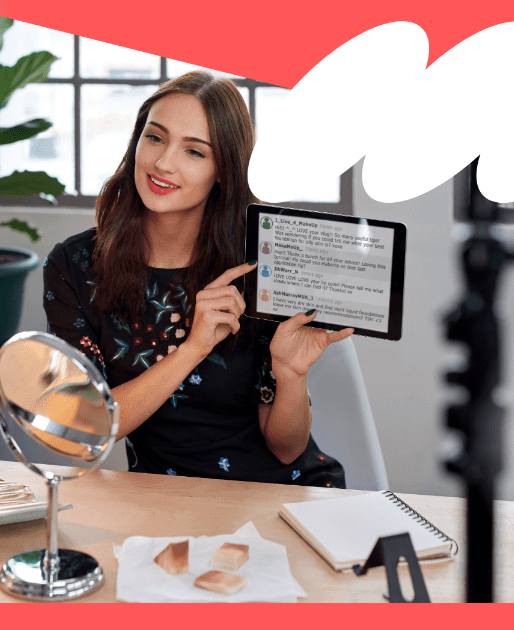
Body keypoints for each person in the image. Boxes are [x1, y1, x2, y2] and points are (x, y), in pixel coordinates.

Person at [42, 72, 352, 486]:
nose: (164, 163)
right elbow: (86, 427)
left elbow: (287, 448)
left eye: (194, 152)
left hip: (280, 498)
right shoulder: (76, 266)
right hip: (164, 502)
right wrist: (193, 348)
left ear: (223, 171)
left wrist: (290, 375)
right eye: (155, 138)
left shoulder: (259, 266)